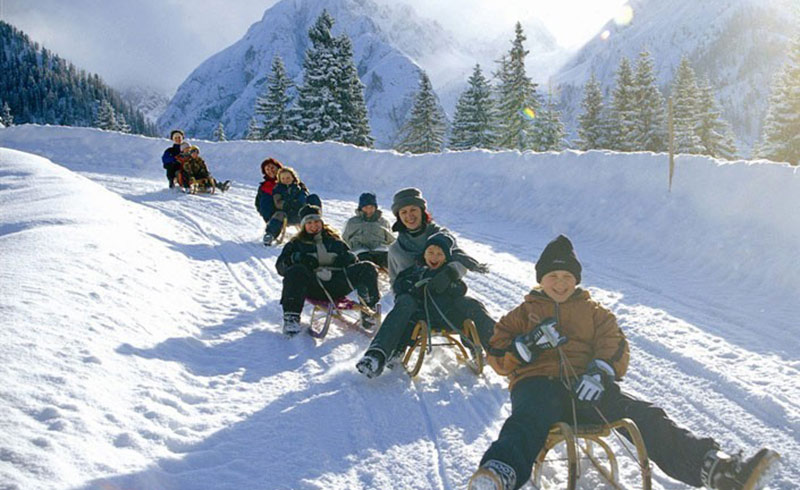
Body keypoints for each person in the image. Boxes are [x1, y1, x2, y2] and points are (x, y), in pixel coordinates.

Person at [468, 235, 780, 490]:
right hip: (537, 385)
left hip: (585, 388)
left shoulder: (595, 313)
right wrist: (526, 347)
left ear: (576, 280)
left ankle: (718, 470)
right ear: (541, 278)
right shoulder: (523, 314)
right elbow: (496, 354)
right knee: (527, 421)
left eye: (567, 276)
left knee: (644, 415)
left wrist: (599, 373)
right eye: (553, 276)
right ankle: (499, 473)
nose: (560, 283)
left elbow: (615, 346)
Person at [356, 232, 496, 378]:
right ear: (424, 254)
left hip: (447, 316)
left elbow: (461, 290)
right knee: (405, 304)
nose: (434, 257)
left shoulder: (448, 273)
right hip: (420, 317)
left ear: (446, 258)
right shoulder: (414, 271)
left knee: (472, 303)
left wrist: (449, 283)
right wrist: (413, 288)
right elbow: (399, 286)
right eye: (430, 252)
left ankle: (498, 346)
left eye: (439, 254)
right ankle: (377, 355)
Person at [275, 205, 380, 336]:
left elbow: (354, 262)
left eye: (316, 221)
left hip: (337, 284)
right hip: (313, 286)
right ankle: (291, 317)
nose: (314, 226)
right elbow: (280, 267)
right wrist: (296, 258)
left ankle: (368, 310)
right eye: (309, 223)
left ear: (322, 222)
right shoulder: (296, 244)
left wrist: (348, 258)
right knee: (296, 270)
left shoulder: (335, 241)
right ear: (303, 225)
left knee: (367, 267)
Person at [387, 187, 488, 283]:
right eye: (403, 212)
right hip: (413, 297)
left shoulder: (442, 236)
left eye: (413, 210)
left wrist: (448, 274)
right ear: (399, 217)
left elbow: (459, 261)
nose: (409, 215)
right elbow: (394, 280)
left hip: (445, 294)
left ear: (422, 211)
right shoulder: (396, 249)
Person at [341, 192, 395, 269]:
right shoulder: (352, 222)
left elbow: (391, 240)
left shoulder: (383, 222)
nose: (369, 210)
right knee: (366, 264)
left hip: (379, 249)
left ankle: (391, 278)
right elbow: (345, 239)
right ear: (361, 208)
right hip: (360, 250)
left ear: (375, 207)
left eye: (371, 207)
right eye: (366, 207)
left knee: (388, 261)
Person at [263, 167, 309, 246]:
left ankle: (312, 234)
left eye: (288, 178)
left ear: (293, 178)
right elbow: (277, 202)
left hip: (298, 213)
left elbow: (303, 197)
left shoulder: (299, 188)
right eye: (283, 178)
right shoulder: (278, 189)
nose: (286, 180)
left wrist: (299, 203)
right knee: (278, 215)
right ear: (279, 179)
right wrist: (286, 204)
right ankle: (270, 234)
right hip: (285, 213)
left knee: (307, 212)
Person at [255, 158, 283, 242]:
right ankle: (271, 232)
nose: (270, 171)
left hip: (290, 209)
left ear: (278, 168)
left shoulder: (288, 179)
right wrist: (262, 211)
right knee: (265, 198)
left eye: (272, 168)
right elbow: (258, 202)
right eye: (267, 169)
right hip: (273, 213)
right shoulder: (264, 187)